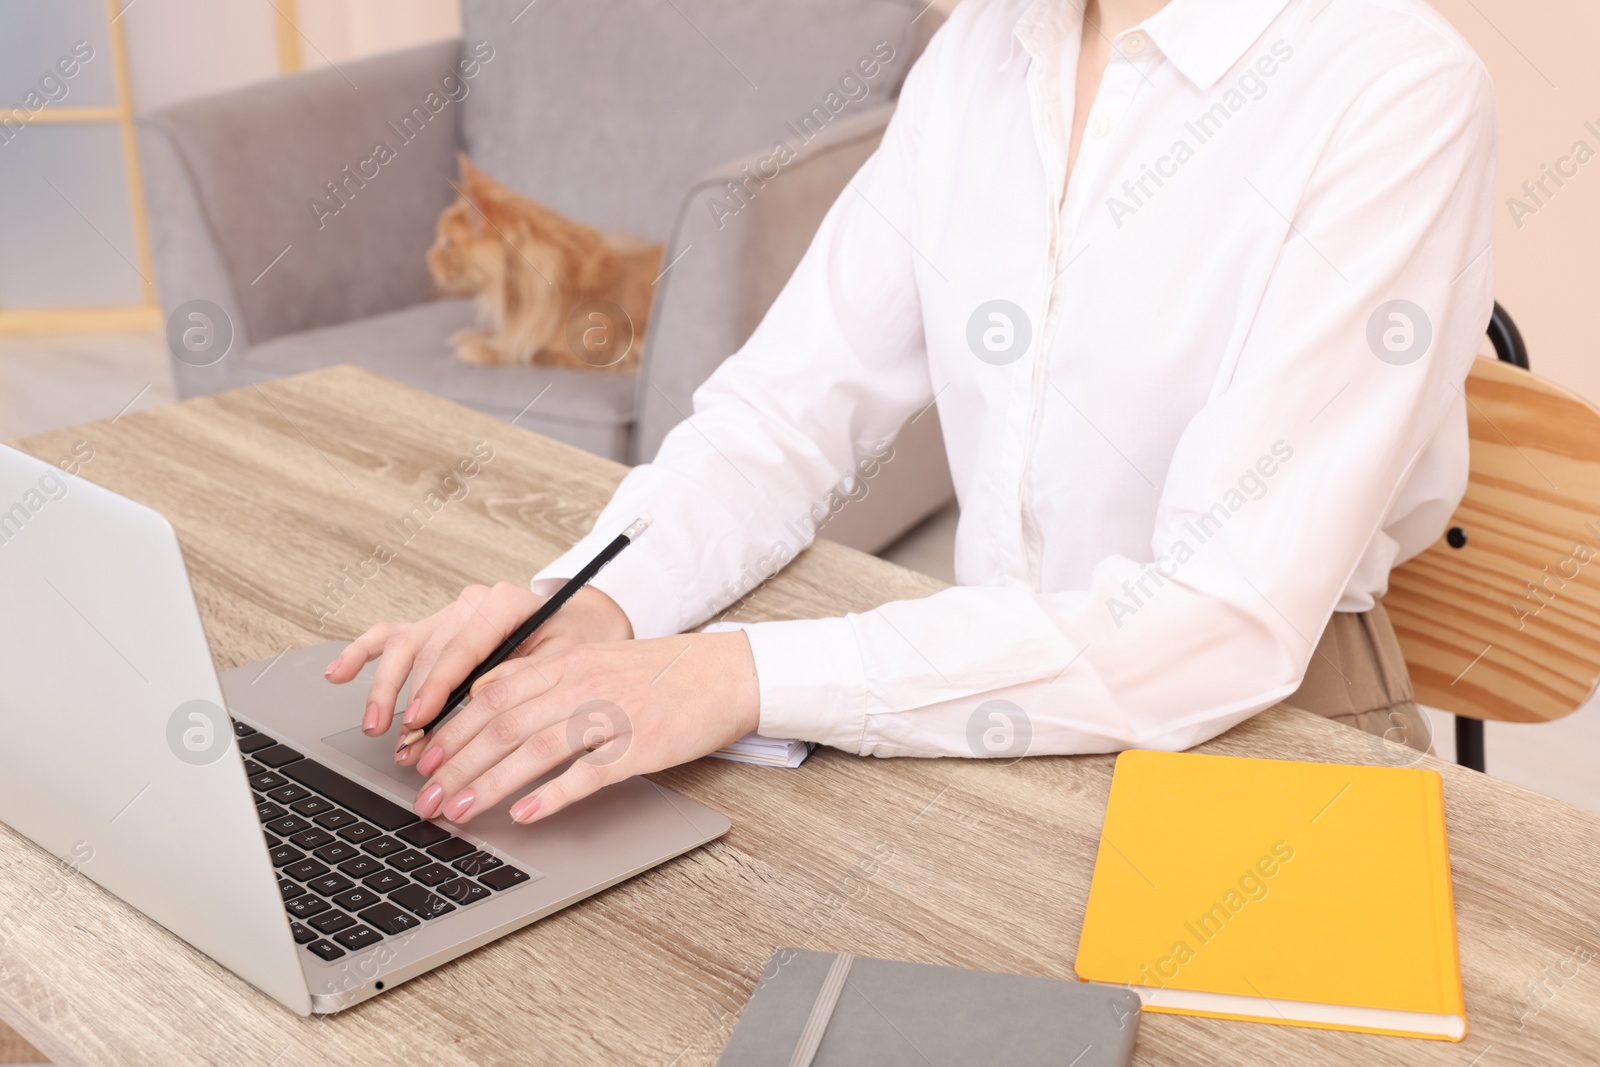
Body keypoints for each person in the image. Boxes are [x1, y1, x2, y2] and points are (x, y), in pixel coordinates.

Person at [324, 0, 1496, 828]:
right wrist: (586, 601)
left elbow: (1214, 618)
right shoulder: (983, 49)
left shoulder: (1392, 87)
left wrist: (729, 673)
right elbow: (777, 422)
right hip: (972, 700)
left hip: (1274, 726)